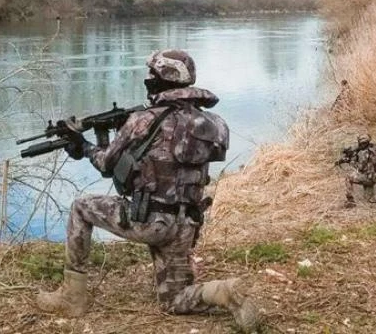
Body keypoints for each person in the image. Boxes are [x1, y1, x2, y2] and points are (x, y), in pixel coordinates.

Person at [36, 49, 262, 332]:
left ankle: (71, 296)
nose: (148, 80)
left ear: (161, 80)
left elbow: (107, 164)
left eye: (152, 75)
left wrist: (83, 146)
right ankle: (226, 292)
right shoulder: (214, 124)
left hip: (150, 222)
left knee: (81, 207)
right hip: (186, 224)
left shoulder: (142, 121)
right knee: (173, 301)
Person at [335, 133, 376, 207]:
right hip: (372, 178)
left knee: (348, 178)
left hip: (367, 177)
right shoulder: (374, 150)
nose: (360, 145)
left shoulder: (365, 153)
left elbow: (360, 168)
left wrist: (351, 161)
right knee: (370, 199)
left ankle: (350, 201)